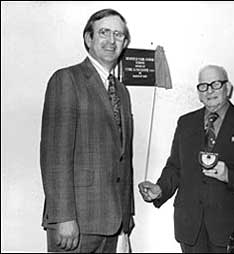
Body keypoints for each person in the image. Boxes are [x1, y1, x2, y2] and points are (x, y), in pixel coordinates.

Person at [138, 65, 234, 253]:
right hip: (190, 224)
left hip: (229, 224)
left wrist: (229, 174)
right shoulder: (185, 123)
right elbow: (175, 167)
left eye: (215, 84)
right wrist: (160, 189)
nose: (209, 91)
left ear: (228, 88)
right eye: (203, 86)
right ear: (198, 92)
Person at [40, 9, 134, 253]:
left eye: (118, 35)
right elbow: (55, 157)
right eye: (104, 32)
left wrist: (126, 216)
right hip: (75, 223)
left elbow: (124, 158)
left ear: (124, 43)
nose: (111, 41)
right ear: (88, 39)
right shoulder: (66, 80)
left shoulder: (122, 92)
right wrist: (63, 217)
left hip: (113, 223)